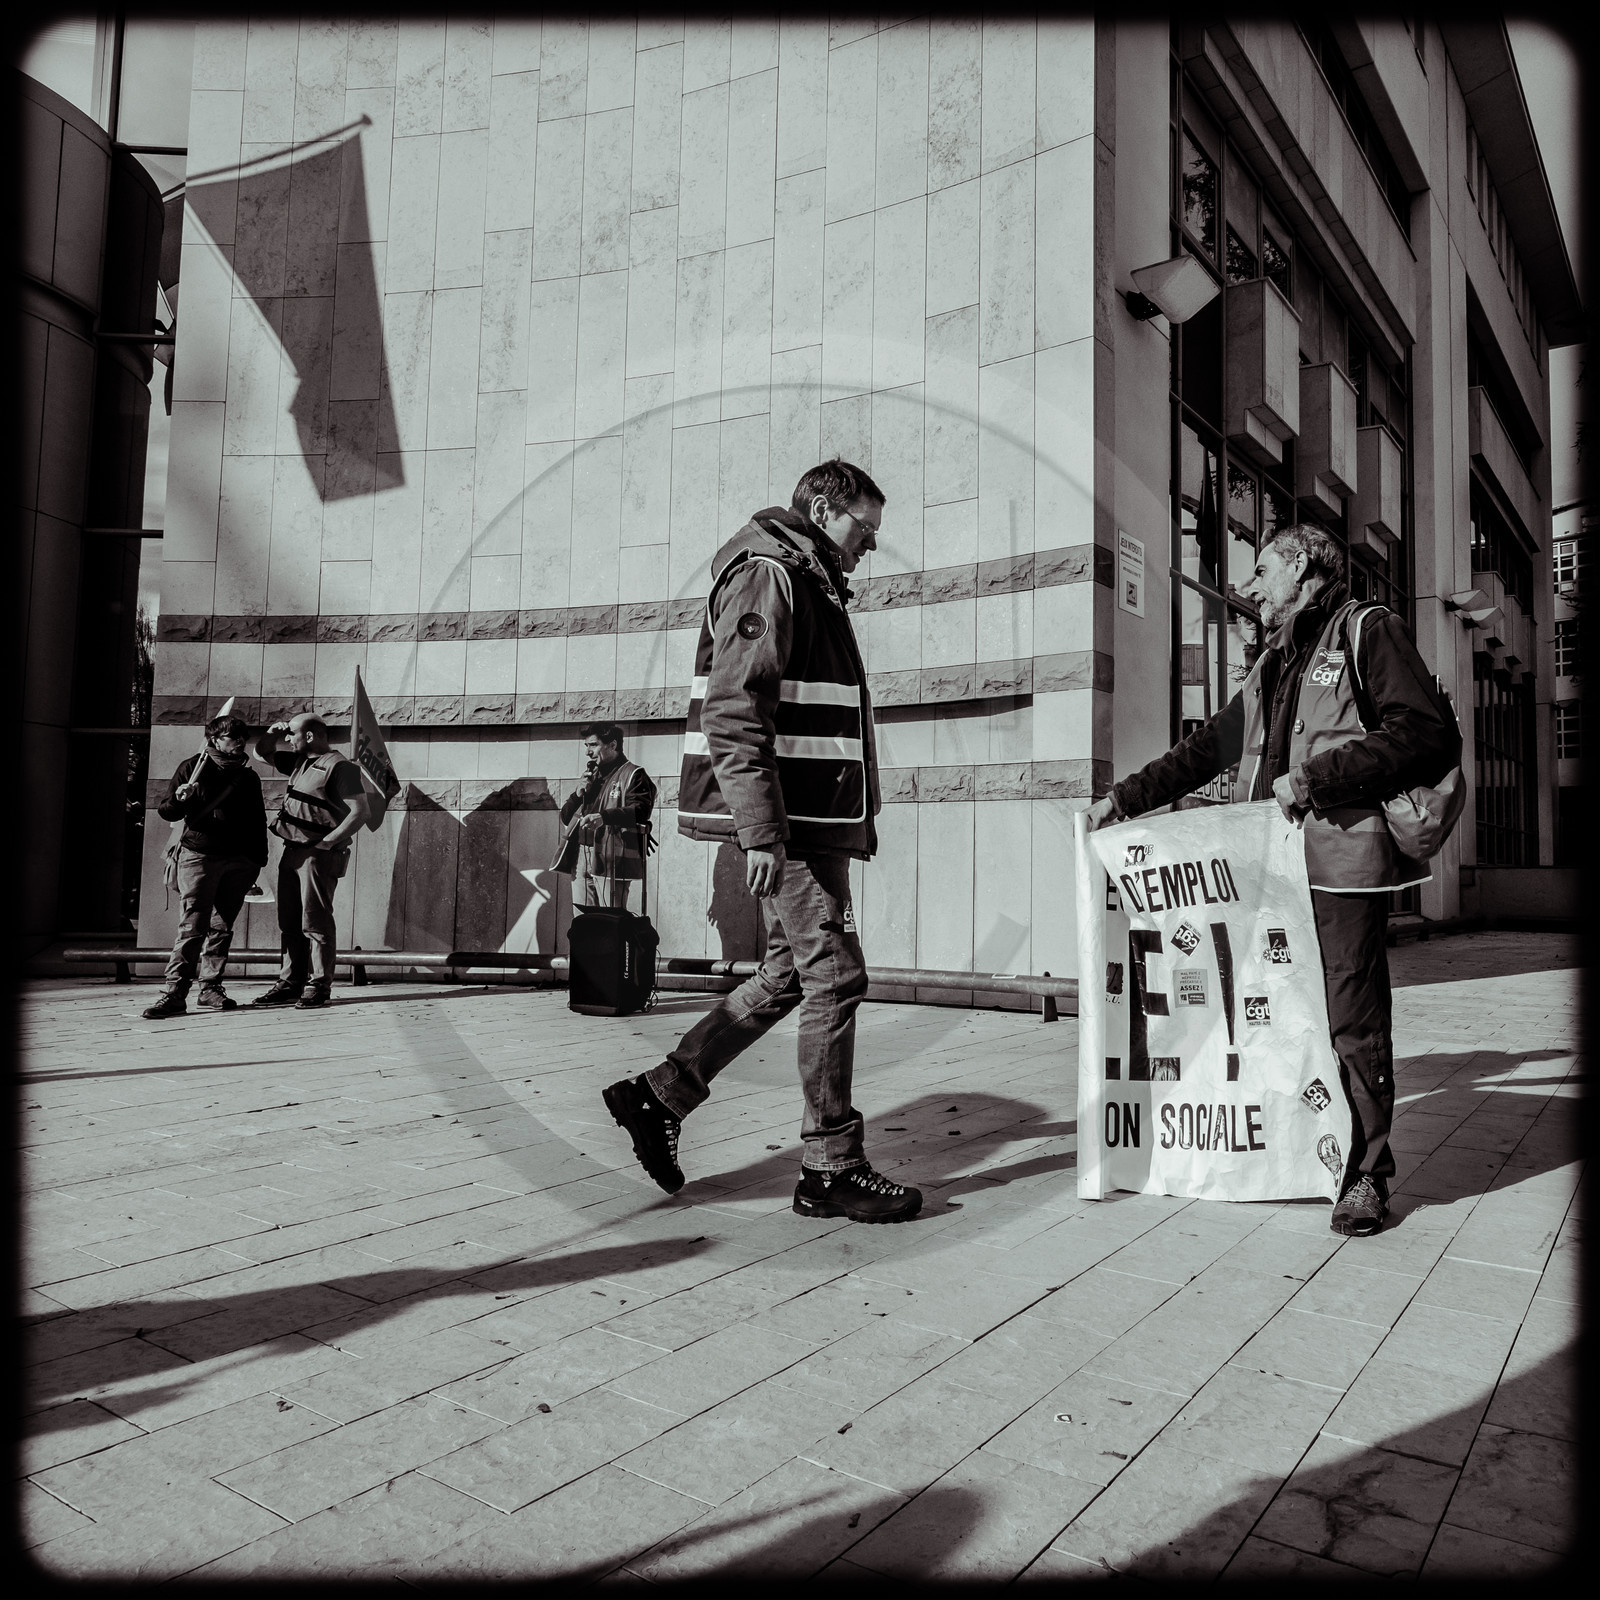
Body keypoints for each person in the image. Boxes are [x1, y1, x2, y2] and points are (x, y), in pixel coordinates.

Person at [1084, 523, 1458, 1237]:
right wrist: (1123, 799)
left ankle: (1366, 1177)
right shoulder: (1270, 665)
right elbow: (1205, 750)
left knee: (1351, 1018)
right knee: (1281, 1018)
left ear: (1304, 567)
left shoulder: (1368, 631)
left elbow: (1422, 732)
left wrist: (1313, 780)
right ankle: (1301, 1153)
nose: (1250, 587)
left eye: (1262, 570)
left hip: (1340, 872)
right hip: (1269, 878)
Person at [602, 458, 922, 1224]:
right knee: (835, 978)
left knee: (789, 975)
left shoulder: (805, 577)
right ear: (821, 504)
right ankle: (830, 1166)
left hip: (809, 824)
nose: (871, 546)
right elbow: (734, 713)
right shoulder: (769, 574)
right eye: (863, 527)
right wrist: (761, 834)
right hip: (792, 828)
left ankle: (660, 1095)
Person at [142, 714, 268, 1019]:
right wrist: (180, 799)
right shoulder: (192, 766)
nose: (239, 742)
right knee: (192, 925)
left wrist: (257, 862)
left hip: (239, 862)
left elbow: (257, 821)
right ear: (214, 739)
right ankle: (174, 993)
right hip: (199, 856)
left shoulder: (249, 777)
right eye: (231, 737)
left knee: (222, 927)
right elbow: (166, 810)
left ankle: (210, 988)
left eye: (242, 737)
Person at [251, 713, 371, 1009]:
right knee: (290, 922)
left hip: (317, 855)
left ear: (310, 736)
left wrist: (327, 842)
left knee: (314, 922)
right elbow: (261, 753)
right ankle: (291, 982)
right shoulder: (299, 762)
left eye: (292, 733)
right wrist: (273, 733)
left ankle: (318, 985)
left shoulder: (340, 767)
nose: (288, 738)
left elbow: (360, 811)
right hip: (292, 851)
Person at [552, 723, 657, 909]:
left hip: (611, 857)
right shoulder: (592, 776)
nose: (588, 752)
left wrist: (604, 817)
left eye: (593, 745)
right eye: (586, 746)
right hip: (582, 856)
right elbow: (566, 817)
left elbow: (640, 811)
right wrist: (578, 794)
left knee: (611, 922)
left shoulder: (633, 774)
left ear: (613, 745)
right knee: (583, 924)